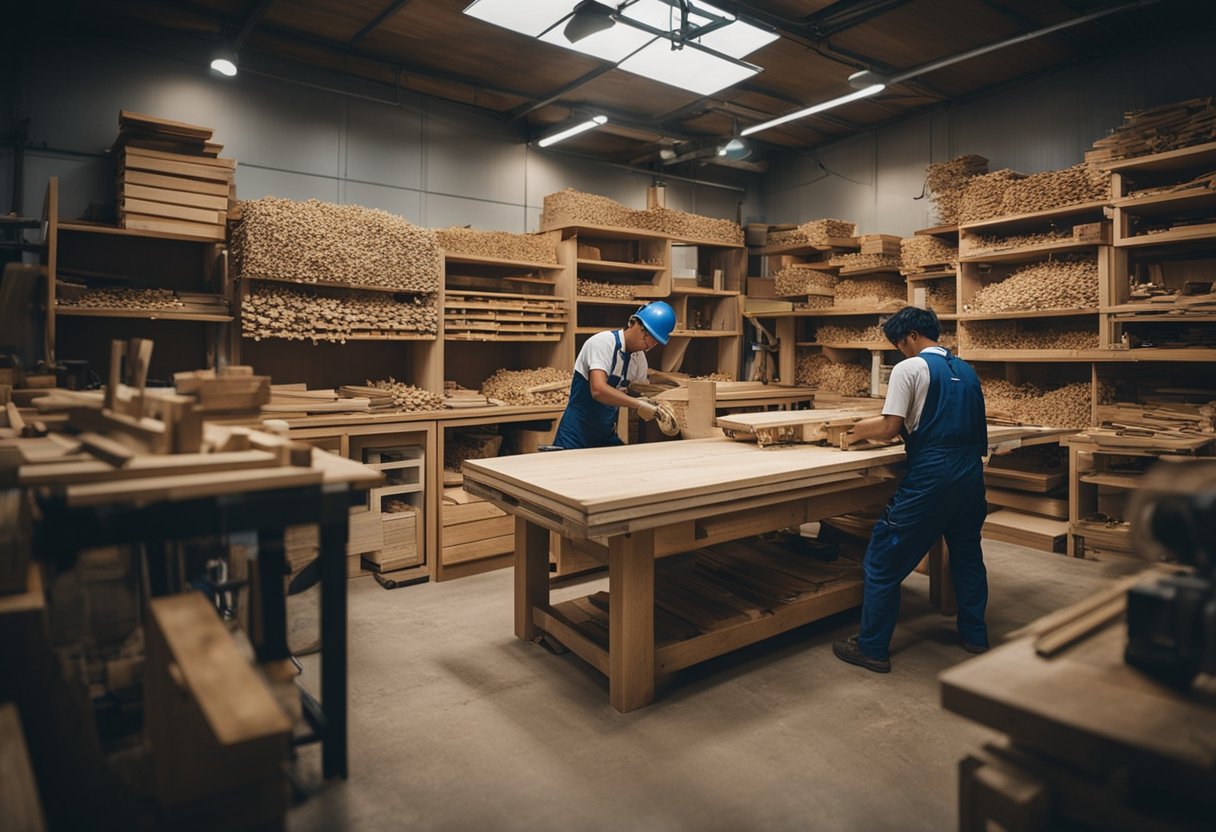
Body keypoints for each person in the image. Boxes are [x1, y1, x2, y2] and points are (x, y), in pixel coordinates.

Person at [832, 306, 989, 673]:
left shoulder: (910, 367)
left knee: (883, 560)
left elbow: (889, 427)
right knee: (967, 556)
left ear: (911, 337)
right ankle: (976, 635)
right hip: (970, 476)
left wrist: (852, 431)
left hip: (933, 475)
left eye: (899, 344)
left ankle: (871, 647)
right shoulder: (966, 370)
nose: (900, 351)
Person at [552, 301, 676, 450]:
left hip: (605, 435)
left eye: (656, 340)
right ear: (634, 324)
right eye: (649, 335)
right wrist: (638, 404)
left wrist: (659, 403)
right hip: (575, 436)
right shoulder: (602, 343)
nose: (651, 343)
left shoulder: (639, 358)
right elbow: (598, 390)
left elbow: (639, 390)